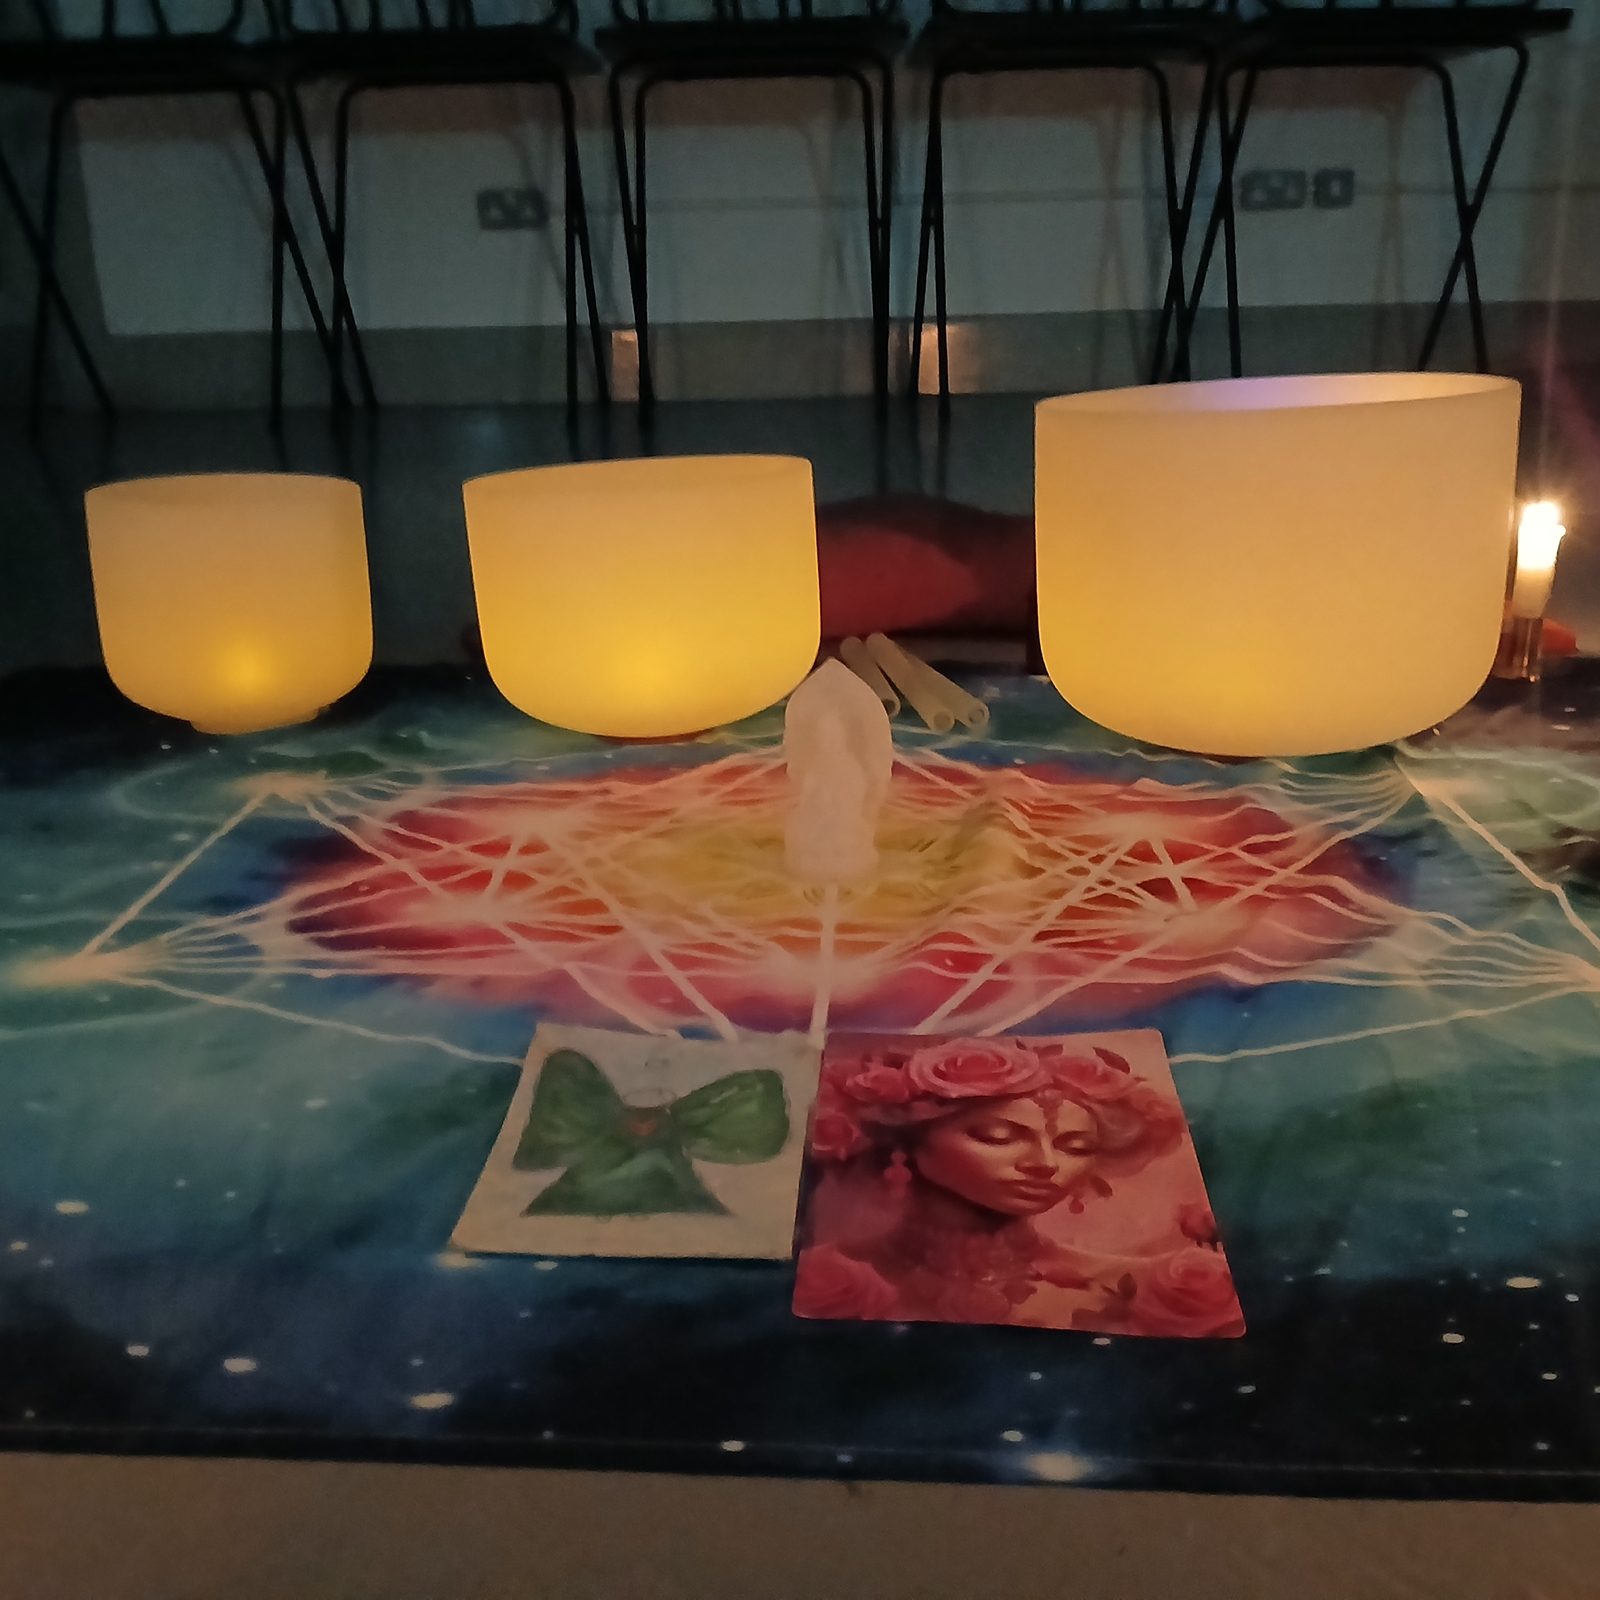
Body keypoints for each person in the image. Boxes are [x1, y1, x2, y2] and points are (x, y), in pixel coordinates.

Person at [795, 1037, 1241, 1334]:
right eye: (998, 1137)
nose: (1045, 1165)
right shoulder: (826, 1278)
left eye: (1074, 1145)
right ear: (908, 1141)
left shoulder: (1149, 1283)